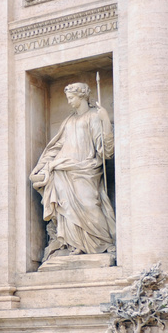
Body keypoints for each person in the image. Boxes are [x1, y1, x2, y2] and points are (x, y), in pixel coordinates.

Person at [30, 82, 115, 262]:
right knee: (66, 208)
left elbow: (105, 149)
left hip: (86, 169)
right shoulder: (68, 121)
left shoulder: (93, 117)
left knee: (90, 204)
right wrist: (41, 166)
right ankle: (74, 244)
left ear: (81, 96)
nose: (69, 102)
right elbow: (57, 147)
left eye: (71, 98)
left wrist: (105, 120)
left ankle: (104, 242)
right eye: (67, 98)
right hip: (63, 170)